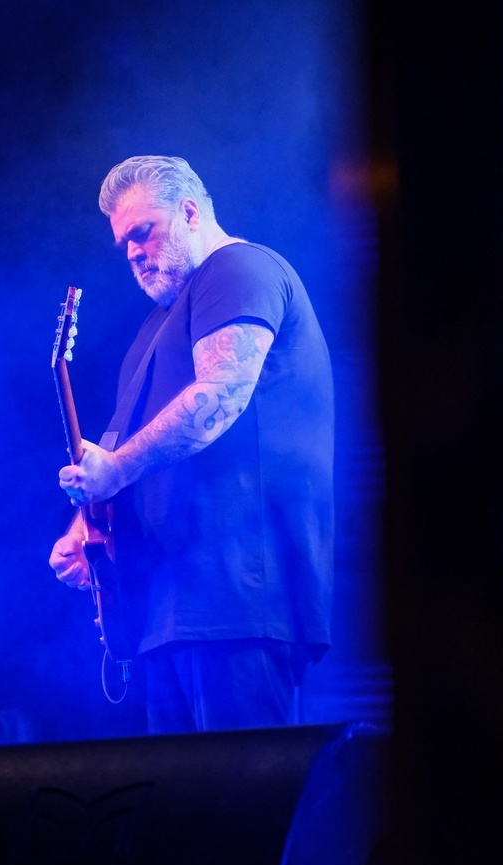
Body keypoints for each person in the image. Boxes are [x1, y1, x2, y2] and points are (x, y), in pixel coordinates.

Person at [49, 155, 334, 735]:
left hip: (238, 597)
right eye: (123, 243)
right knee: (183, 793)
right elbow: (117, 455)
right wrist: (86, 527)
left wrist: (116, 469)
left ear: (188, 212)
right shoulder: (155, 328)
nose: (132, 252)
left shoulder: (237, 269)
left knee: (243, 787)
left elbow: (222, 394)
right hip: (168, 607)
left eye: (142, 232)